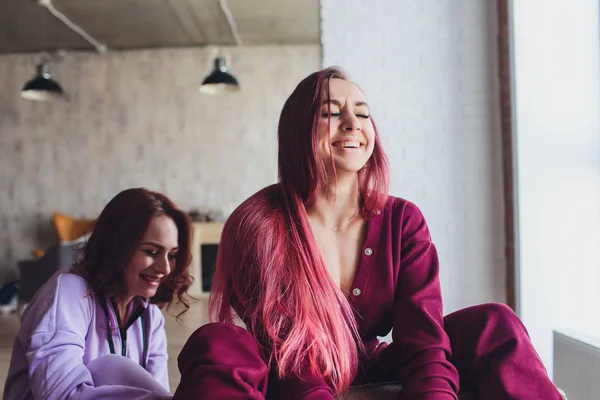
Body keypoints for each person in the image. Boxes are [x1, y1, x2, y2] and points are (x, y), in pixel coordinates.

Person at [172, 67, 565, 400]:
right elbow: (288, 356)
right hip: (287, 375)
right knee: (217, 343)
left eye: (362, 113)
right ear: (298, 131)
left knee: (494, 323)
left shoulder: (402, 220)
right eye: (331, 113)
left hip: (369, 363)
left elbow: (423, 338)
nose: (353, 124)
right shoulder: (258, 223)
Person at [4, 188, 193, 400]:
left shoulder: (151, 318)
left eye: (172, 255)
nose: (165, 268)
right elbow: (60, 396)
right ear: (117, 246)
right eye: (151, 252)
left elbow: (158, 391)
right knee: (109, 366)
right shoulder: (68, 291)